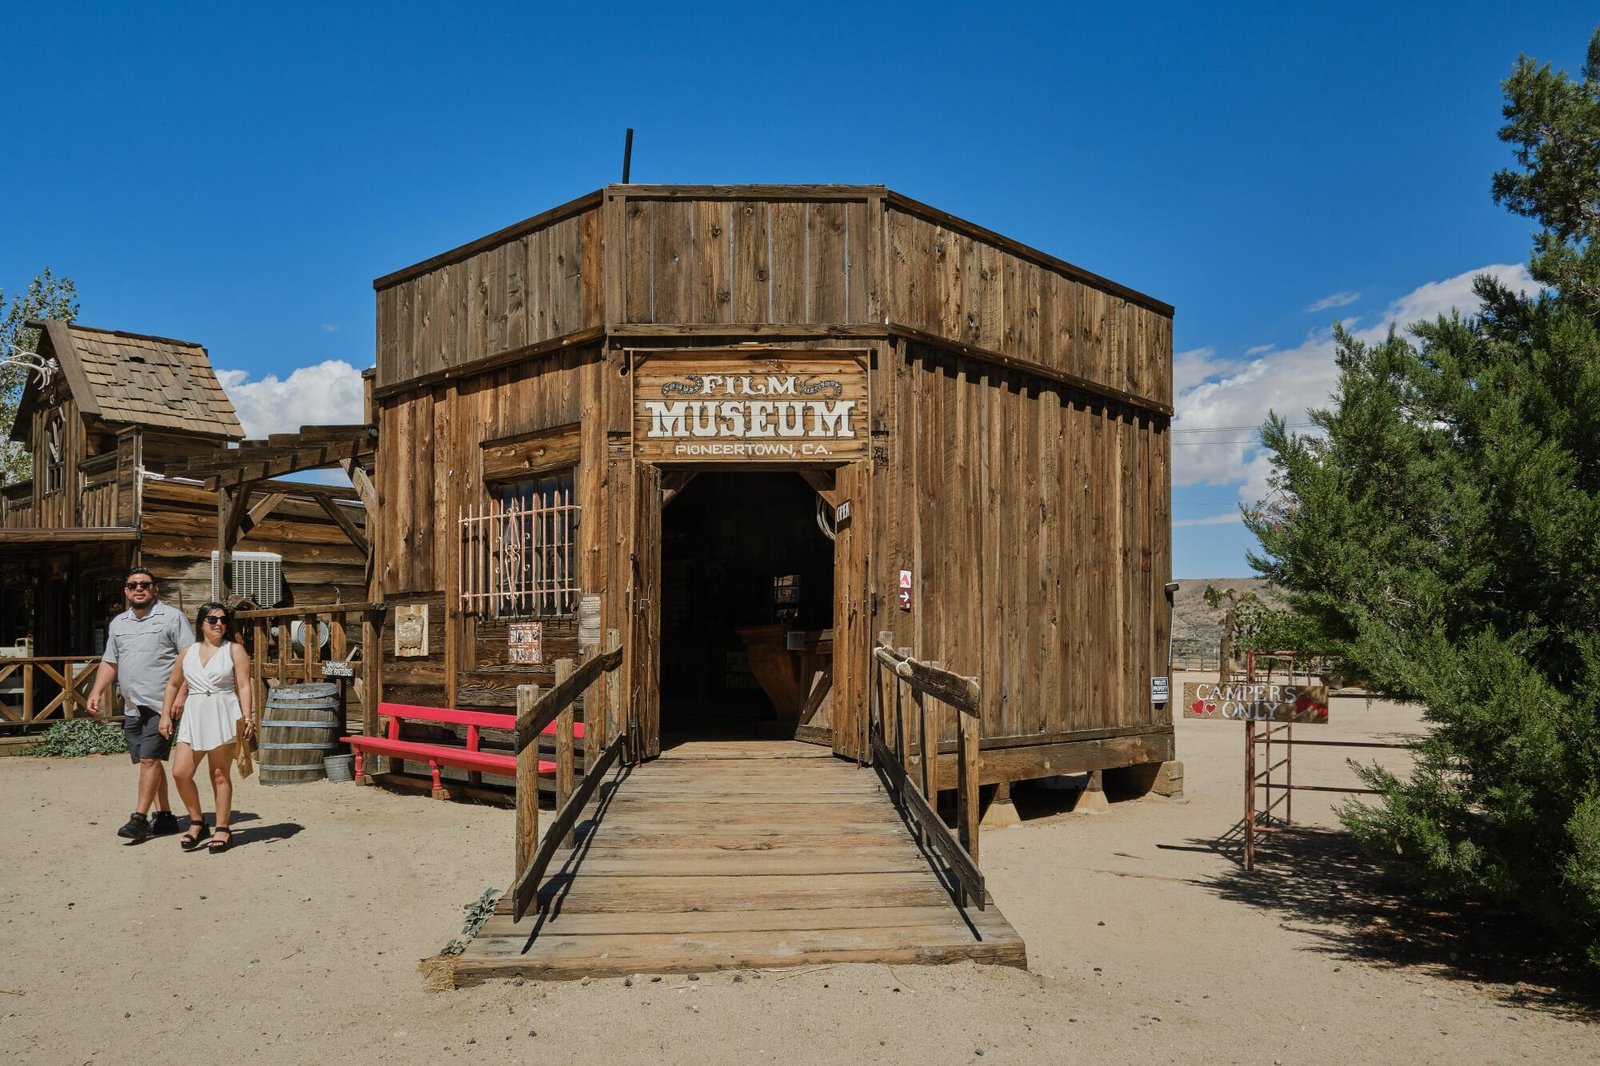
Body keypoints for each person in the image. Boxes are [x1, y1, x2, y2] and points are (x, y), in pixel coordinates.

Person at [88, 567, 194, 842]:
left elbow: (189, 658)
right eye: (133, 585)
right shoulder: (119, 623)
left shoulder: (172, 618)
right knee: (151, 761)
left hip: (161, 704)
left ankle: (139, 818)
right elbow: (111, 662)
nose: (139, 589)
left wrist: (182, 694)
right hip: (132, 705)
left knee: (148, 758)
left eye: (144, 584)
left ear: (154, 589)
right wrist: (97, 690)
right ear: (126, 590)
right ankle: (166, 817)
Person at [159, 603, 253, 853]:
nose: (219, 624)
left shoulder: (234, 650)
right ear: (201, 623)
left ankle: (222, 828)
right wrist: (165, 716)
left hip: (223, 711)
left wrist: (248, 717)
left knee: (219, 774)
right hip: (194, 713)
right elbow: (172, 684)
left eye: (223, 620)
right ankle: (197, 821)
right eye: (212, 620)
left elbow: (244, 685)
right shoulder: (187, 652)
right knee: (180, 772)